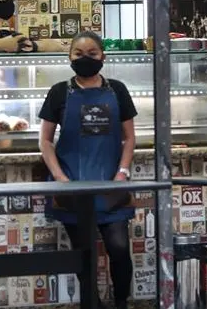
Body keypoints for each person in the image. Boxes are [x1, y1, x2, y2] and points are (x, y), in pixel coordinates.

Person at [38, 31, 136, 309]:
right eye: (78, 54)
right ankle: (92, 304)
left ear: (103, 56)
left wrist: (122, 173)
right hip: (72, 185)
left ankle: (121, 302)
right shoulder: (59, 92)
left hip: (111, 185)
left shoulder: (117, 90)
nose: (86, 59)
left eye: (92, 54)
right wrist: (60, 177)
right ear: (69, 57)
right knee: (85, 256)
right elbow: (45, 140)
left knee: (119, 249)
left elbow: (129, 138)